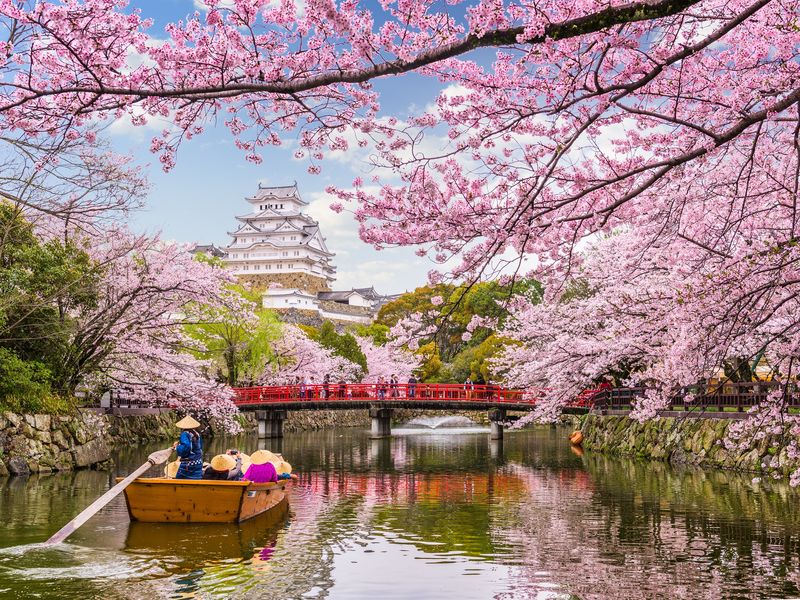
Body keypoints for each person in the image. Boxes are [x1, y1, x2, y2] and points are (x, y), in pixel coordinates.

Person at [173, 415, 203, 479]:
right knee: (196, 479)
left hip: (188, 464)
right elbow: (199, 447)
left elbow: (186, 446)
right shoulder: (196, 433)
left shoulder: (185, 433)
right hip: (198, 462)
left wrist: (177, 447)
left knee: (179, 479)